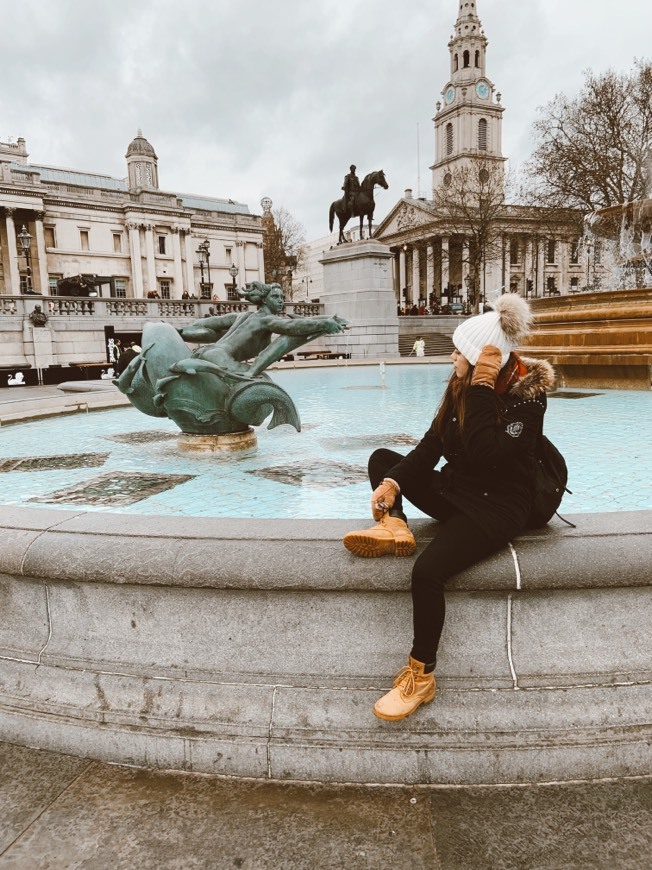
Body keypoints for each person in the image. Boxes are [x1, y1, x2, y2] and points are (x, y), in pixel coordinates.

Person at [342, 294, 554, 721]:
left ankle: (421, 677)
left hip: (497, 507)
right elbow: (430, 446)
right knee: (383, 460)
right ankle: (396, 527)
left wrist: (478, 391)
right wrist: (392, 485)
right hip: (460, 491)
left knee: (427, 572)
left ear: (480, 362)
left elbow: (485, 455)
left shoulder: (527, 399)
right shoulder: (459, 386)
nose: (452, 357)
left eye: (460, 352)